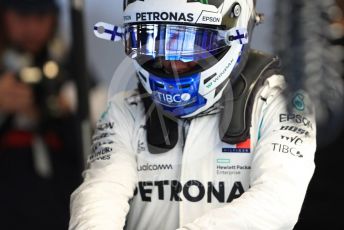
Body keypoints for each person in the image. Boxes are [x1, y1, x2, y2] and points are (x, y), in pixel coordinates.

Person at [69, 0, 317, 229]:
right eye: (156, 42)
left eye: (190, 45)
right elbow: (101, 192)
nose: (173, 64)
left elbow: (278, 201)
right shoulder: (124, 109)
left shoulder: (282, 103)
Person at [0, 0, 82, 229]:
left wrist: (63, 107)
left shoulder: (67, 61)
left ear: (54, 18)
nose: (32, 28)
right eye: (22, 16)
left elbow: (94, 143)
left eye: (40, 17)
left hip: (58, 204)